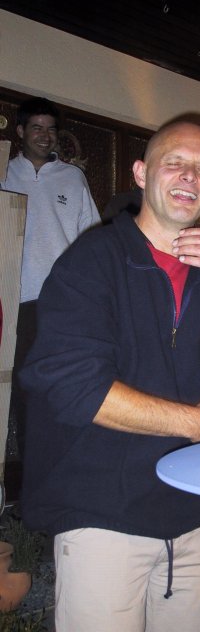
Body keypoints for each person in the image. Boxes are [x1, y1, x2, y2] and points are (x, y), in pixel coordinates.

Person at [19, 119, 200, 632]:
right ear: (140, 173)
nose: (190, 176)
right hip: (103, 521)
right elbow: (77, 390)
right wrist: (195, 423)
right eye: (174, 162)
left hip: (195, 521)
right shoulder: (92, 262)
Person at [0, 96, 100, 461]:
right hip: (15, 300)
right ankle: (28, 473)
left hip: (62, 301)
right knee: (22, 388)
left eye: (51, 129)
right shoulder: (4, 172)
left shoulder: (72, 178)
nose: (45, 136)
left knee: (63, 383)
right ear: (20, 131)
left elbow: (90, 238)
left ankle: (66, 467)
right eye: (37, 128)